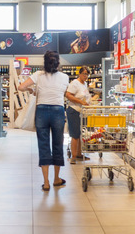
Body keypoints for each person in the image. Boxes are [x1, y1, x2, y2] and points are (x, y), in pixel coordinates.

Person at [18, 50, 69, 191]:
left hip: (42, 112)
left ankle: (46, 183)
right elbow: (61, 92)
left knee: (43, 145)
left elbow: (21, 86)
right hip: (58, 111)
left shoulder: (38, 76)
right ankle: (56, 179)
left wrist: (31, 90)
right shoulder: (65, 77)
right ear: (58, 62)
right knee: (58, 144)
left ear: (44, 62)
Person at [65, 67, 91, 164]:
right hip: (74, 110)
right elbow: (68, 95)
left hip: (81, 111)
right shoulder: (74, 83)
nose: (85, 76)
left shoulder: (84, 84)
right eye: (84, 74)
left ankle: (79, 154)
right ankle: (73, 157)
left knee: (80, 133)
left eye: (87, 74)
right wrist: (80, 102)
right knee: (75, 134)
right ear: (79, 74)